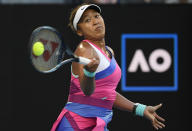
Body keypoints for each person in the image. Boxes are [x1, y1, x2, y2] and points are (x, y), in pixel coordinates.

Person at [51, 3, 165, 131]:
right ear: (79, 30)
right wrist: (89, 73)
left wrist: (139, 109)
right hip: (76, 124)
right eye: (87, 20)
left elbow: (106, 93)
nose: (95, 22)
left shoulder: (108, 51)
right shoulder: (85, 50)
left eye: (97, 16)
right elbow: (87, 91)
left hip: (97, 123)